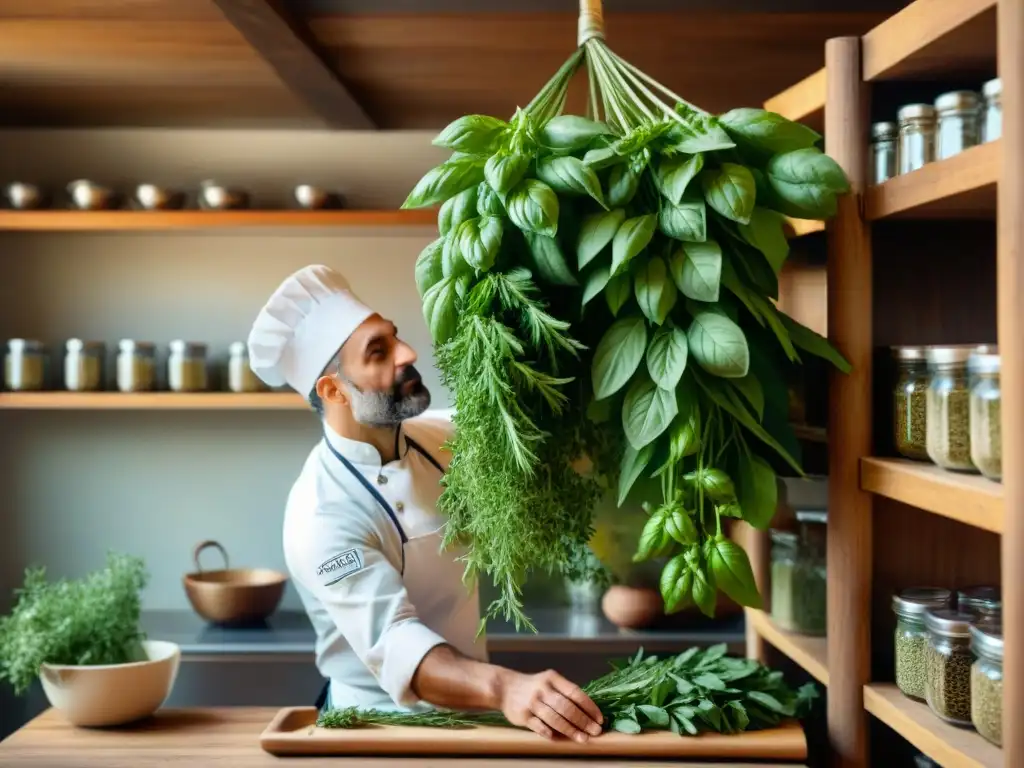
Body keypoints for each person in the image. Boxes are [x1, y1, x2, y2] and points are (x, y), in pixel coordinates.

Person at [246, 264, 603, 743]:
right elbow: (398, 646)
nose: (409, 353)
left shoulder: (436, 436)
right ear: (334, 391)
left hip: (473, 716)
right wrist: (506, 689)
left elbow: (541, 435)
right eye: (380, 352)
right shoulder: (321, 516)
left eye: (395, 337)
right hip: (375, 733)